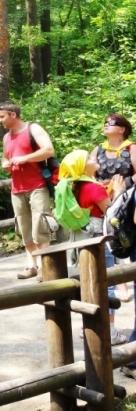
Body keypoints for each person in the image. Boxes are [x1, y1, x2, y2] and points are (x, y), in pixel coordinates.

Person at [54, 149, 127, 345]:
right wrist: (119, 193)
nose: (93, 158)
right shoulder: (94, 189)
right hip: (99, 239)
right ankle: (109, 331)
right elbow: (112, 213)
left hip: (83, 239)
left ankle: (85, 326)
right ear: (82, 166)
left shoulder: (76, 187)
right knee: (107, 282)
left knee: (89, 280)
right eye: (88, 158)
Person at [0, 102, 55, 279]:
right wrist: (5, 164)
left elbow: (49, 150)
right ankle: (32, 266)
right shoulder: (6, 137)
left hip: (37, 185)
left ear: (12, 114)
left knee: (40, 225)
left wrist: (25, 158)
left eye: (2, 117)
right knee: (24, 227)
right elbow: (4, 157)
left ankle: (46, 267)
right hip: (17, 188)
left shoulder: (33, 129)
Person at [89, 114, 135, 302]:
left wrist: (122, 186)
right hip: (102, 200)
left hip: (127, 201)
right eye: (105, 122)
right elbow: (87, 171)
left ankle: (127, 278)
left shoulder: (131, 148)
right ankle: (117, 282)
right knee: (108, 239)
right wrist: (99, 187)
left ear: (122, 129)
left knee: (125, 237)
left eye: (111, 123)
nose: (106, 125)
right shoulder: (98, 149)